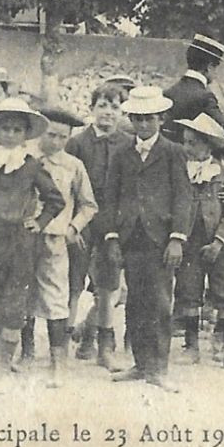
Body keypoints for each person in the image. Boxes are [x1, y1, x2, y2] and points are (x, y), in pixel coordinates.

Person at [0, 97, 64, 393]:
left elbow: (56, 200)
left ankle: (4, 366)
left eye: (17, 130)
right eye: (5, 128)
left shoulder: (31, 166)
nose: (10, 134)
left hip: (18, 242)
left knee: (13, 303)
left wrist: (39, 222)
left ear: (25, 134)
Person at [102, 86, 192, 391]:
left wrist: (177, 238)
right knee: (135, 303)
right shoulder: (120, 153)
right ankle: (140, 364)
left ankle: (158, 367)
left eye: (149, 119)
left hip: (161, 238)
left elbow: (183, 197)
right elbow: (110, 198)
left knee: (159, 303)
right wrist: (112, 237)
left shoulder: (173, 152)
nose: (142, 126)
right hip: (130, 236)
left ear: (161, 118)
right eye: (137, 119)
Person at [170, 113, 224, 371]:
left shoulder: (223, 173)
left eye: (193, 143)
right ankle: (191, 347)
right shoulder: (180, 170)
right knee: (188, 292)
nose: (187, 148)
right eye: (185, 142)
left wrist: (219, 241)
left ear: (208, 146)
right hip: (190, 241)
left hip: (222, 243)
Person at [65, 83, 132, 367]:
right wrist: (73, 224)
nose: (108, 112)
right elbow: (68, 186)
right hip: (82, 219)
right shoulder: (78, 142)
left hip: (112, 222)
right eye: (102, 105)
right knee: (73, 280)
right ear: (91, 109)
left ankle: (102, 343)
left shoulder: (127, 143)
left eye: (115, 107)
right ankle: (62, 344)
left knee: (108, 283)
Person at [31, 106, 98, 387]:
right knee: (21, 294)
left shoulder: (73, 166)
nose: (55, 142)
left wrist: (73, 228)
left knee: (56, 300)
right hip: (22, 238)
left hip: (54, 240)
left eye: (62, 137)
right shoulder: (26, 158)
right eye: (51, 135)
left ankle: (57, 361)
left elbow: (88, 205)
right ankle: (24, 352)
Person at [160, 33, 224, 142]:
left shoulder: (168, 92)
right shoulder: (205, 97)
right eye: (216, 68)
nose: (216, 73)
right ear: (209, 67)